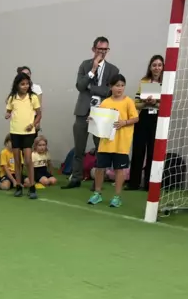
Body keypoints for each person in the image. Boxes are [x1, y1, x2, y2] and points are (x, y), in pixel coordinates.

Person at [66, 37, 120, 189]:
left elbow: (109, 91)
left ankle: (97, 181)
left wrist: (91, 88)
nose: (102, 52)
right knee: (79, 148)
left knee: (100, 149)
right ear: (93, 49)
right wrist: (92, 71)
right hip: (83, 111)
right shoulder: (85, 65)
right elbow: (80, 86)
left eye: (105, 49)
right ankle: (76, 178)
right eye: (99, 49)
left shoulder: (113, 70)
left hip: (101, 113)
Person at [87, 74, 138, 208]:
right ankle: (97, 193)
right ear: (111, 87)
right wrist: (92, 120)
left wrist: (124, 122)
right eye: (117, 85)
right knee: (100, 168)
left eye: (122, 85)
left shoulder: (128, 101)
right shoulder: (105, 103)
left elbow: (136, 118)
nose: (119, 88)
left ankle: (117, 197)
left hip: (121, 143)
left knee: (119, 170)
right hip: (106, 142)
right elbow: (100, 119)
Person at [127, 55, 164, 191]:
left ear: (163, 67)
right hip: (143, 117)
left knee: (153, 152)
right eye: (154, 65)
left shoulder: (166, 82)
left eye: (159, 65)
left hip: (158, 119)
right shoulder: (144, 81)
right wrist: (145, 102)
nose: (157, 68)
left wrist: (156, 103)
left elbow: (168, 105)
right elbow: (136, 103)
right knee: (138, 149)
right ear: (150, 67)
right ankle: (133, 183)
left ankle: (149, 183)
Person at [5, 72, 42, 199]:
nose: (25, 86)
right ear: (17, 85)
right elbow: (8, 111)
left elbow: (39, 114)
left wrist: (33, 124)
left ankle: (32, 186)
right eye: (22, 84)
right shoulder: (12, 98)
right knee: (17, 161)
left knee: (27, 160)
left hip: (28, 133)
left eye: (27, 84)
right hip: (15, 132)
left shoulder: (33, 97)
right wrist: (7, 114)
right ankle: (18, 186)